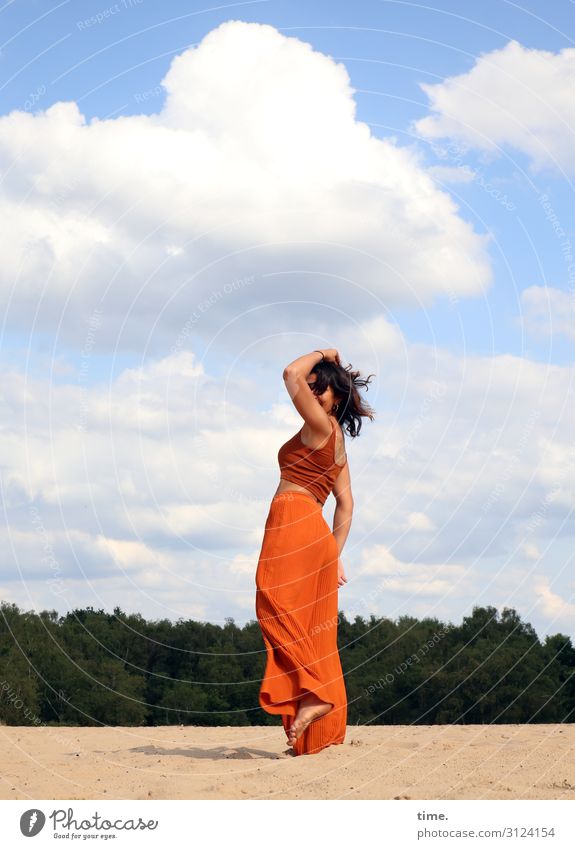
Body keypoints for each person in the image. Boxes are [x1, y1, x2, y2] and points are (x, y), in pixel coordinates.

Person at [255, 348, 375, 755]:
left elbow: (290, 372)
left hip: (295, 522)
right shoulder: (336, 440)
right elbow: (347, 503)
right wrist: (333, 553)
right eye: (312, 390)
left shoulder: (321, 426)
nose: (312, 394)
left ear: (336, 399)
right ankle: (313, 739)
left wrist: (325, 353)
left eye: (320, 390)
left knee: (272, 604)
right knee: (313, 631)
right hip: (316, 537)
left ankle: (316, 694)